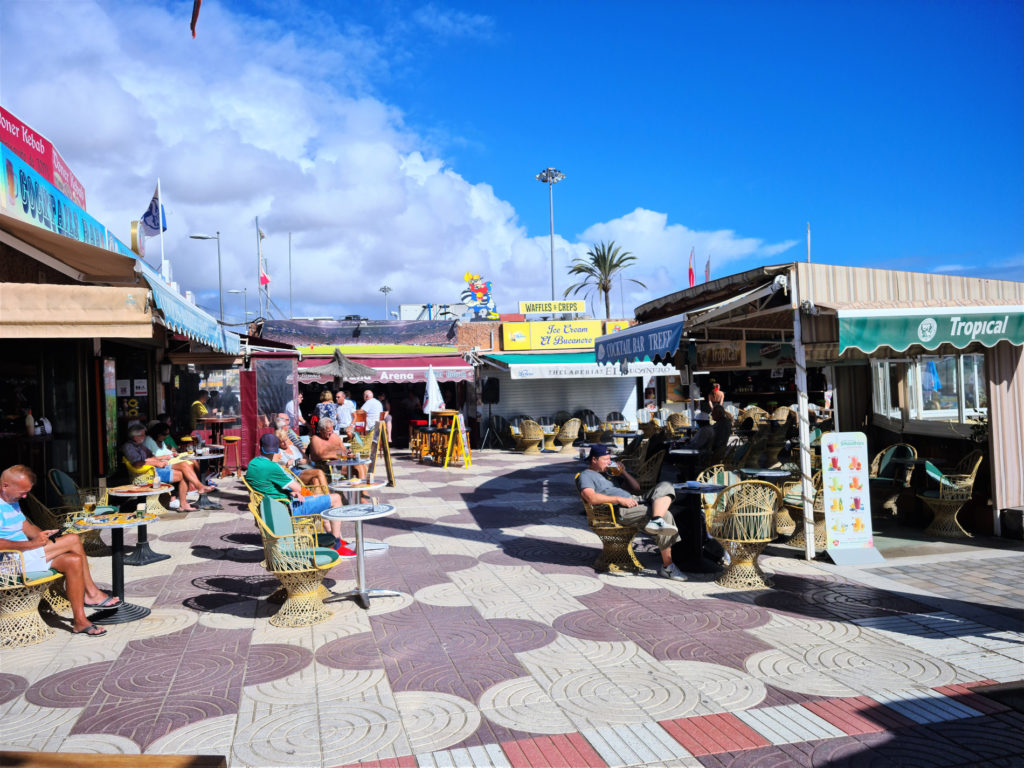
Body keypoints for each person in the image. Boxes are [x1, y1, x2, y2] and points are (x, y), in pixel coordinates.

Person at [0, 465, 120, 636]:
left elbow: (26, 527)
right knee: (73, 539)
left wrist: (42, 536)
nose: (25, 496)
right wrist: (32, 545)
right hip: (9, 564)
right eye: (22, 492)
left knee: (74, 561)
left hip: (25, 556)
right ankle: (92, 593)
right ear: (5, 486)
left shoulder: (12, 501)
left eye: (27, 492)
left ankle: (80, 621)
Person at [577, 445, 686, 581]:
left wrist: (623, 473)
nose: (609, 462)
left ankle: (656, 519)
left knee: (666, 486)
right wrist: (618, 499)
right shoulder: (586, 475)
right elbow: (591, 498)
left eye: (610, 459)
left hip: (635, 501)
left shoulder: (609, 475)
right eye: (605, 459)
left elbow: (636, 487)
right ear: (594, 459)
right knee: (667, 515)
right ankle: (668, 566)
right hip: (619, 509)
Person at [245, 434, 355, 557]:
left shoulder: (252, 464)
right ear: (277, 450)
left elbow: (267, 486)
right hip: (287, 510)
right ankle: (337, 545)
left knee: (320, 499)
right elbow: (298, 487)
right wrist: (293, 490)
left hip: (272, 508)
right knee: (336, 499)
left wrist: (290, 491)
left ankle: (332, 538)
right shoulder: (272, 466)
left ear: (260, 447)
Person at [122, 424, 211, 512]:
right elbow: (137, 463)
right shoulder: (129, 446)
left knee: (185, 464)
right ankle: (188, 499)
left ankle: (198, 488)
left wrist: (159, 460)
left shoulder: (140, 445)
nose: (145, 436)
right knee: (184, 471)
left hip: (156, 467)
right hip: (149, 473)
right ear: (135, 436)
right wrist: (156, 462)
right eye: (142, 435)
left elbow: (151, 457)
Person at [273, 423, 330, 490]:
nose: (285, 443)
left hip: (305, 469)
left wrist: (305, 461)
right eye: (282, 442)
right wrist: (286, 465)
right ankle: (328, 496)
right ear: (277, 443)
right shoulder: (278, 452)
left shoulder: (295, 447)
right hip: (295, 473)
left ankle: (319, 499)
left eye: (286, 440)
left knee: (316, 481)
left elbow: (307, 459)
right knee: (319, 472)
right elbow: (273, 467)